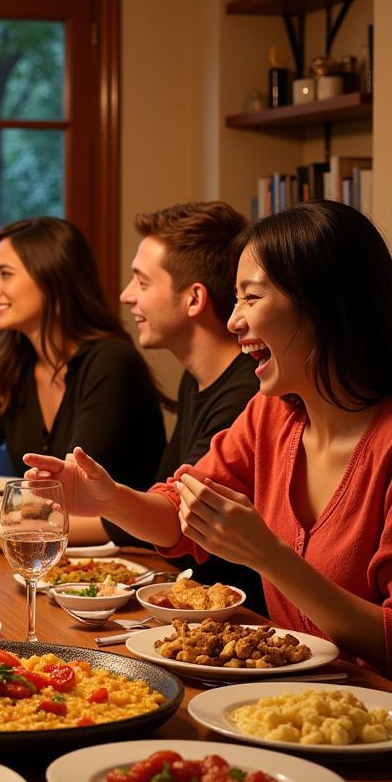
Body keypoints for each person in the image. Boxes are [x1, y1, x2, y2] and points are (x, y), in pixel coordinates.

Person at [26, 202, 392, 678]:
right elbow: (182, 518)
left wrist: (270, 557)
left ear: (323, 304)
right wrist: (109, 499)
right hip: (283, 700)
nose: (233, 321)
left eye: (252, 299)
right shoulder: (273, 417)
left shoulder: (386, 444)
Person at [0, 216, 165, 544]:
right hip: (53, 552)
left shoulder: (111, 361)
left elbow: (70, 492)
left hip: (126, 562)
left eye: (5, 274)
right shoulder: (13, 364)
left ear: (52, 279)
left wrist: (18, 528)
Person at [105, 202, 263, 609]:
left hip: (239, 620)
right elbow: (169, 497)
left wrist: (95, 501)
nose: (126, 296)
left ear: (194, 298)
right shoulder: (195, 379)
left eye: (141, 282)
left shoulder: (250, 394)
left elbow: (179, 517)